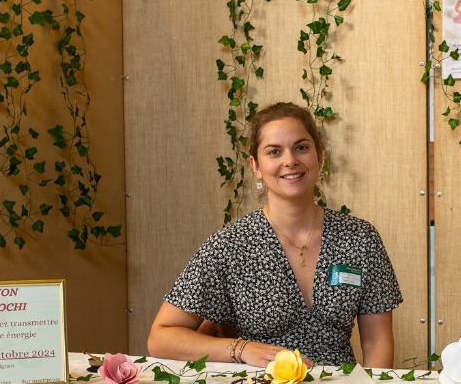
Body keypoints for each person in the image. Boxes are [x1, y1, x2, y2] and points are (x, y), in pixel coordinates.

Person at [148, 102, 402, 368]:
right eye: (274, 152)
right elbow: (161, 337)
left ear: (320, 157)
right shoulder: (230, 245)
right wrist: (241, 349)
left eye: (301, 147)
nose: (290, 160)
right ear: (256, 166)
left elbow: (377, 342)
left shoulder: (360, 238)